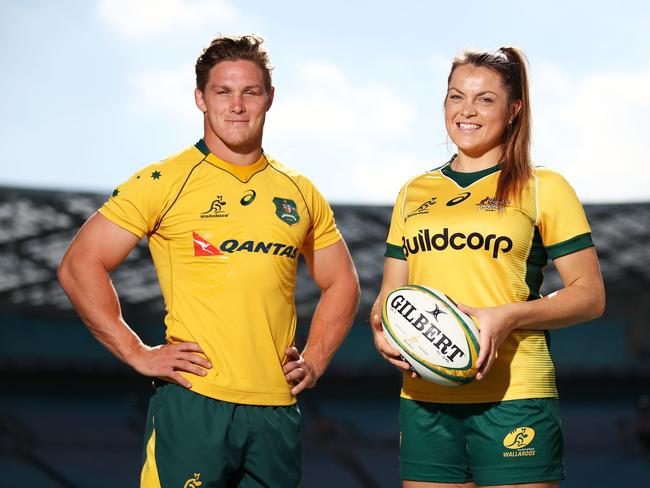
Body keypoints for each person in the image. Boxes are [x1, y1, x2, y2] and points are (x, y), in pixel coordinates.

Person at [58, 34, 359, 487]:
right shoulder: (164, 180)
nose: (236, 105)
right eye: (223, 91)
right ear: (200, 98)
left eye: (250, 91)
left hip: (277, 408)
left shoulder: (299, 190)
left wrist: (314, 360)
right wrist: (137, 352)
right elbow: (80, 263)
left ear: (269, 98)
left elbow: (343, 283)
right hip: (195, 402)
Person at [370, 47, 605, 488]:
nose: (466, 111)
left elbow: (589, 295)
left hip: (514, 396)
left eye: (485, 99)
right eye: (456, 96)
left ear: (514, 109)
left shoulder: (543, 188)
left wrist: (508, 316)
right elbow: (389, 294)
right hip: (424, 397)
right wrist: (382, 328)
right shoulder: (413, 192)